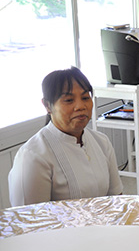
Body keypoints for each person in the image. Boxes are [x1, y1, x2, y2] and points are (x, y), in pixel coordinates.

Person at [8, 67, 123, 206]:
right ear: (47, 106)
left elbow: (117, 199)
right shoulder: (33, 156)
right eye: (69, 100)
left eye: (86, 97)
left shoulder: (101, 142)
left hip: (104, 226)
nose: (80, 106)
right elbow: (30, 221)